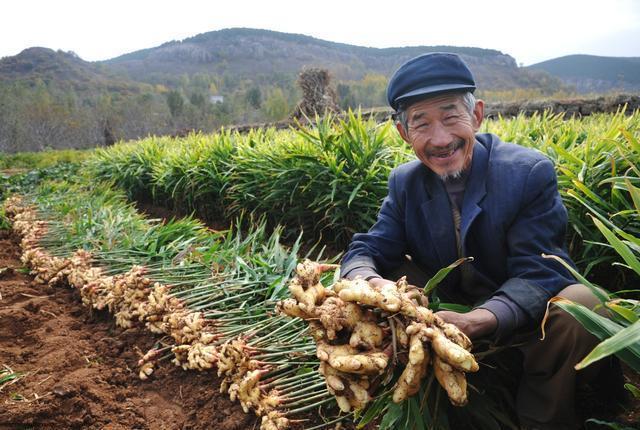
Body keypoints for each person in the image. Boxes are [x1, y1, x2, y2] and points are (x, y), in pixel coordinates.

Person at [340, 52, 615, 430]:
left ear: (477, 115)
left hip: (519, 318)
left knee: (583, 305)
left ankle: (543, 415)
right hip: (447, 317)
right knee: (378, 278)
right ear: (404, 133)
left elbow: (540, 269)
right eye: (421, 123)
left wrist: (481, 319)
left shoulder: (527, 173)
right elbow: (367, 249)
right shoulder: (406, 183)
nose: (440, 139)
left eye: (451, 116)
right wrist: (374, 285)